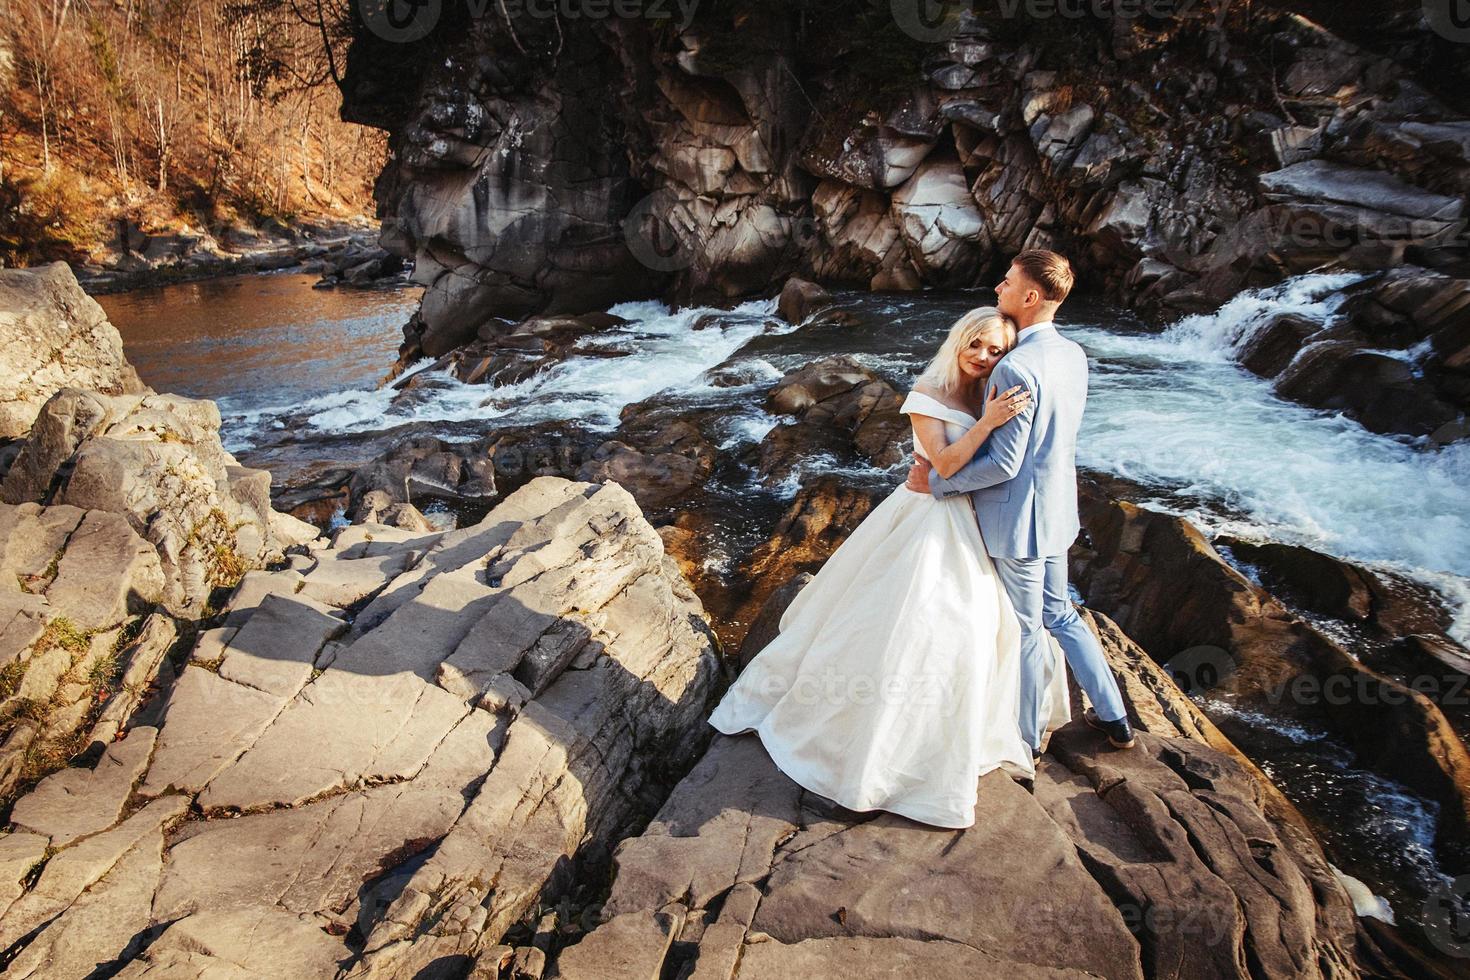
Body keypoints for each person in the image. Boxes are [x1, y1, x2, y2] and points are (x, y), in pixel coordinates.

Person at [708, 306, 1070, 829]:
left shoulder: (988, 388)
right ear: (959, 338)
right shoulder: (929, 392)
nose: (984, 357)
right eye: (978, 345)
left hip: (967, 517)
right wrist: (990, 423)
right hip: (927, 517)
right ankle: (862, 751)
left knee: (972, 630)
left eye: (996, 351)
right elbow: (944, 465)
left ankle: (942, 739)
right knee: (905, 625)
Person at [907, 249, 1135, 757]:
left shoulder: (1014, 369)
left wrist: (938, 484)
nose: (998, 288)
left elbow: (1005, 465)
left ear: (1030, 297)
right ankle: (1117, 719)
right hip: (1057, 512)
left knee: (1029, 629)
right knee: (1065, 616)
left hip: (1020, 522)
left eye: (1007, 282)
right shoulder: (1073, 354)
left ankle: (1027, 742)